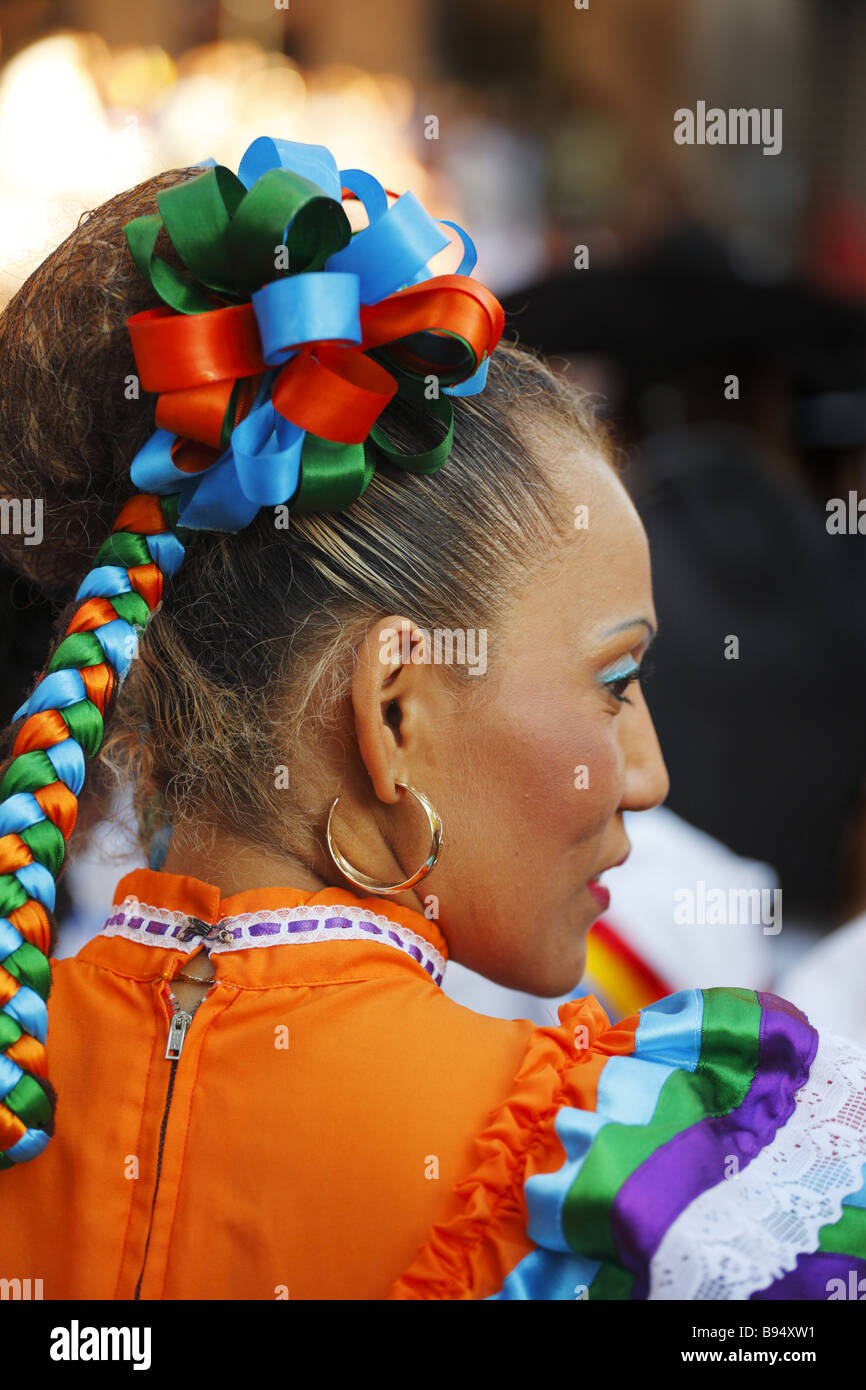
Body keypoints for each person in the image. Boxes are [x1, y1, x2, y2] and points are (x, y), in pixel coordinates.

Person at [0, 139, 864, 1302]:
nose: (647, 773)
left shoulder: (30, 1077)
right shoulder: (640, 1192)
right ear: (393, 714)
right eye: (614, 681)